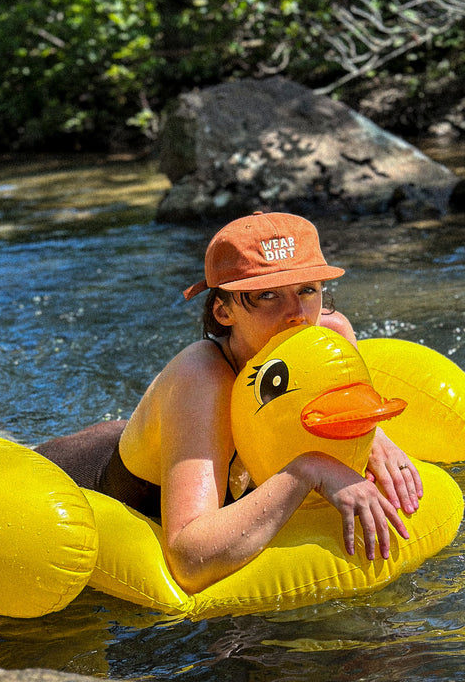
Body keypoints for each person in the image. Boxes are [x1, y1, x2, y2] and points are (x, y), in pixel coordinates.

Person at [36, 211, 423, 594]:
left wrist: (374, 435)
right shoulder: (203, 378)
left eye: (307, 290)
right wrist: (309, 469)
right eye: (267, 295)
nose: (296, 316)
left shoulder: (330, 332)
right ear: (224, 311)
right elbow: (189, 560)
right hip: (83, 479)